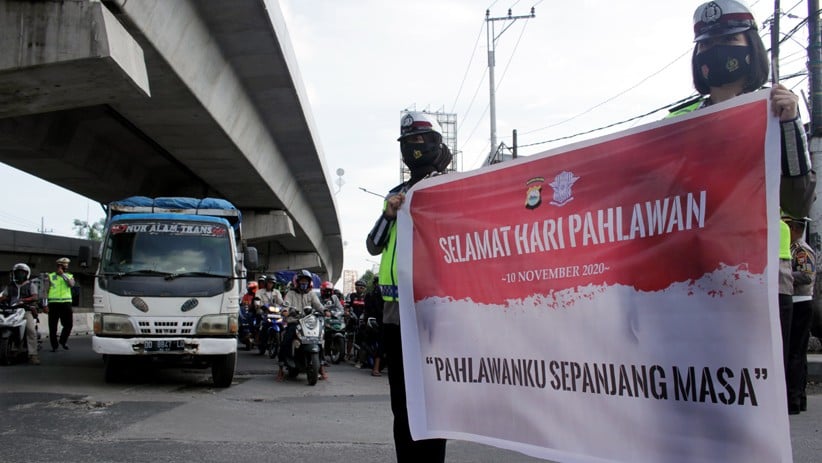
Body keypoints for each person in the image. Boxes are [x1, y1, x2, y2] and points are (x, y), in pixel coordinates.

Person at [670, 0, 815, 413]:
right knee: (698, 401)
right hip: (695, 282)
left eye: (729, 40)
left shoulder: (775, 113)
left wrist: (788, 125)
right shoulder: (681, 125)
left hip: (765, 280)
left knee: (757, 409)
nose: (717, 50)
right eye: (707, 44)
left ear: (750, 48)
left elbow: (797, 200)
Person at [366, 111, 452, 462]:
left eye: (420, 142)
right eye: (407, 143)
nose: (413, 149)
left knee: (433, 403)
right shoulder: (395, 195)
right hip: (394, 317)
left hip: (434, 316)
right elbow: (373, 245)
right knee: (401, 405)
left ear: (434, 144)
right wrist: (389, 214)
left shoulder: (446, 189)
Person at [786, 215, 816, 414]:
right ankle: (799, 397)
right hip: (796, 303)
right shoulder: (793, 248)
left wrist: (783, 273)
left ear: (795, 229)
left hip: (801, 303)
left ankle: (794, 399)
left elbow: (805, 276)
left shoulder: (801, 250)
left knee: (795, 354)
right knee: (797, 354)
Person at [277, 269, 326, 381]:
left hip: (309, 323)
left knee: (320, 340)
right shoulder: (291, 293)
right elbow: (285, 306)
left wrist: (325, 311)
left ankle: (322, 366)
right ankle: (281, 368)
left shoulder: (311, 294)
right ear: (297, 282)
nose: (304, 283)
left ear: (309, 283)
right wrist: (286, 311)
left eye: (306, 281)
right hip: (294, 322)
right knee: (286, 341)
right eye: (302, 281)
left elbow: (318, 306)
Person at [0, 263, 40, 364]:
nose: (20, 275)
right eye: (17, 272)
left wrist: (24, 300)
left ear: (27, 274)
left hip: (25, 310)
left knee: (31, 330)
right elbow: (4, 296)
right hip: (10, 310)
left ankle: (33, 355)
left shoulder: (31, 285)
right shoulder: (10, 286)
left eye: (22, 273)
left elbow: (35, 297)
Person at [45, 257, 75, 352]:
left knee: (68, 324)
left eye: (65, 266)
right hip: (53, 304)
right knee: (53, 326)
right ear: (58, 266)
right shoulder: (50, 276)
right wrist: (45, 305)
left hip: (66, 303)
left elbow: (71, 285)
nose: (64, 268)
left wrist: (63, 275)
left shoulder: (69, 276)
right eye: (62, 266)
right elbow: (45, 291)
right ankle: (54, 346)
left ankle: (62, 341)